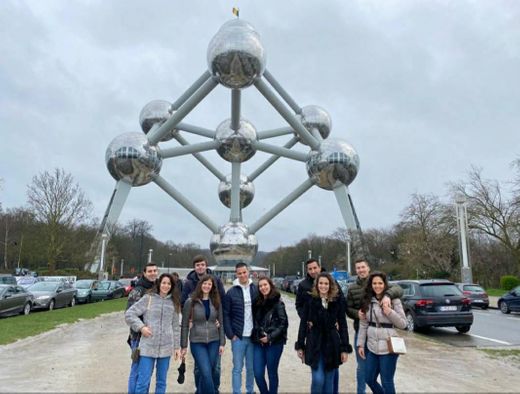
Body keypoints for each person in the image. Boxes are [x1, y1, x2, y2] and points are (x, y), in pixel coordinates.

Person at [346, 258, 403, 394]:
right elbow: (348, 309)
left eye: (363, 267)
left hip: (386, 340)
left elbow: (399, 290)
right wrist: (357, 314)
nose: (361, 270)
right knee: (364, 371)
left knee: (386, 379)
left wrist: (388, 301)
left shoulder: (389, 294)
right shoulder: (354, 290)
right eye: (358, 268)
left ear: (368, 268)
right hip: (365, 335)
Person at [295, 272, 352, 394]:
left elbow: (343, 325)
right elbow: (303, 324)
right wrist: (300, 345)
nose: (323, 286)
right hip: (314, 343)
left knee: (329, 382)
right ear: (317, 285)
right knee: (318, 379)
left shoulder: (337, 302)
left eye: (326, 283)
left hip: (332, 345)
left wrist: (344, 348)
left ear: (330, 285)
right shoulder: (310, 301)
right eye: (321, 283)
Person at [125, 273, 181, 394]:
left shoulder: (174, 302)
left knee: (161, 382)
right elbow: (129, 314)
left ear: (172, 286)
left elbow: (176, 326)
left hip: (166, 348)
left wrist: (177, 347)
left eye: (169, 283)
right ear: (159, 284)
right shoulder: (148, 298)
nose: (166, 286)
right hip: (147, 347)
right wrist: (141, 327)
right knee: (143, 382)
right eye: (164, 283)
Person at [181, 255, 226, 393]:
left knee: (212, 370)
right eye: (204, 284)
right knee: (204, 372)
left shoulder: (216, 301)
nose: (206, 286)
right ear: (200, 285)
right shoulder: (191, 300)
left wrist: (222, 342)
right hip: (197, 340)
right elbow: (183, 324)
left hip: (214, 339)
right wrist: (183, 345)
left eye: (209, 284)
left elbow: (222, 321)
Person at [357, 272, 407, 394]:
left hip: (389, 347)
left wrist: (389, 312)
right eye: (374, 283)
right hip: (372, 346)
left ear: (385, 285)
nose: (377, 286)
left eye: (380, 283)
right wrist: (360, 344)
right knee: (369, 378)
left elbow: (403, 324)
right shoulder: (367, 300)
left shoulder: (394, 300)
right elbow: (363, 324)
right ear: (371, 284)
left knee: (387, 381)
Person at [224, 263, 259, 394]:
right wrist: (230, 334)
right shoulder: (231, 292)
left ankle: (250, 390)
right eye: (239, 273)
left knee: (251, 368)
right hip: (238, 337)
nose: (242, 275)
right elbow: (226, 314)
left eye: (244, 272)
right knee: (237, 368)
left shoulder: (255, 289)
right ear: (236, 274)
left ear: (248, 272)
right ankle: (236, 391)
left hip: (252, 337)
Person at [252, 277, 288, 394]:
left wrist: (270, 337)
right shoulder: (257, 303)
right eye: (260, 286)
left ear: (270, 285)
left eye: (265, 285)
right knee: (257, 373)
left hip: (274, 342)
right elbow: (255, 322)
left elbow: (283, 324)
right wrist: (259, 334)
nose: (263, 287)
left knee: (272, 373)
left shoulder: (278, 303)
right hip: (259, 342)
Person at [126, 262, 158, 394]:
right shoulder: (138, 291)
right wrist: (141, 328)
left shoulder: (156, 289)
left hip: (151, 337)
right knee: (137, 370)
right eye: (150, 271)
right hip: (139, 337)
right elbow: (129, 314)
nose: (153, 273)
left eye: (155, 271)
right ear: (144, 273)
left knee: (147, 371)